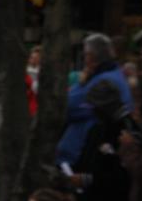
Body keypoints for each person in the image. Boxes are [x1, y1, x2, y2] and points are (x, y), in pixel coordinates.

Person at [56, 34, 133, 168]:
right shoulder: (115, 75)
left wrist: (81, 84)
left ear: (90, 56)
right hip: (90, 151)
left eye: (85, 55)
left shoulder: (101, 81)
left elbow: (66, 106)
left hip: (82, 155)